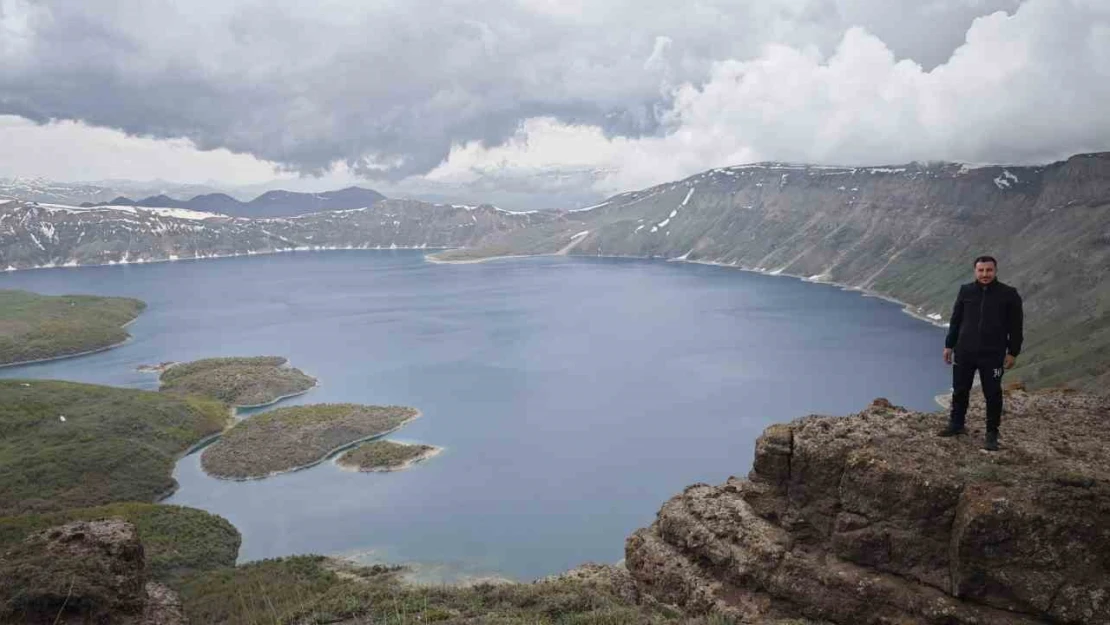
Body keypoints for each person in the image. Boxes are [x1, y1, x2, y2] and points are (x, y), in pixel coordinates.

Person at [938, 255, 1024, 451]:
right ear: (975, 271)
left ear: (995, 271)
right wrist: (949, 345)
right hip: (964, 351)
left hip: (992, 354)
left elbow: (1016, 326)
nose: (985, 274)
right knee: (960, 390)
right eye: (981, 270)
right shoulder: (966, 291)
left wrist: (1013, 352)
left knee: (992, 394)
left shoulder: (1009, 294)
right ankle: (957, 425)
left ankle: (992, 434)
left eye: (989, 270)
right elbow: (956, 320)